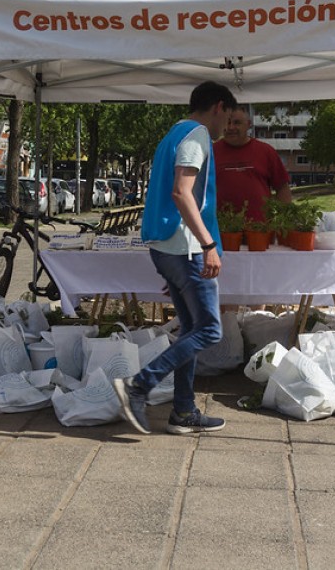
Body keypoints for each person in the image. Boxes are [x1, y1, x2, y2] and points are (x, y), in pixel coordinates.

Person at [113, 81, 237, 435]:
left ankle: (183, 411)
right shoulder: (196, 136)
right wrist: (208, 244)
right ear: (218, 107)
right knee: (209, 330)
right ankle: (138, 385)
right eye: (228, 117)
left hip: (166, 247)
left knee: (192, 331)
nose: (226, 127)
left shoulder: (173, 134)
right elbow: (182, 193)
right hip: (187, 249)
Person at [212, 107, 292, 223]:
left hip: (259, 230)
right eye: (227, 122)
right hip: (222, 230)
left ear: (248, 125)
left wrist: (284, 219)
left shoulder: (266, 151)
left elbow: (282, 188)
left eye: (237, 123)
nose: (231, 127)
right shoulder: (211, 152)